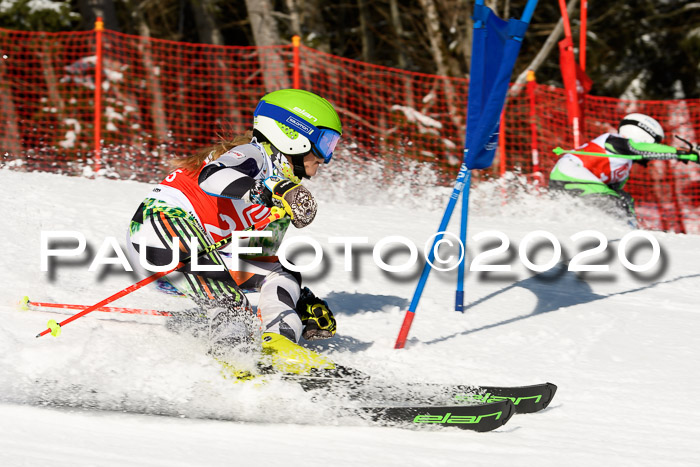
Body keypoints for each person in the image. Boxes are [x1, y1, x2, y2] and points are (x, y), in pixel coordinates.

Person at [125, 89, 344, 377]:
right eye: (324, 142)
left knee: (284, 274)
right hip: (160, 229)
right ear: (292, 134)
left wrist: (300, 300)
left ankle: (278, 346)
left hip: (198, 254)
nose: (325, 158)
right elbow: (212, 176)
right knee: (232, 304)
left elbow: (253, 257)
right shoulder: (255, 156)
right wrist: (270, 190)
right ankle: (235, 366)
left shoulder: (284, 193)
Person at [549, 113, 697, 226]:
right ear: (645, 134)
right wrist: (682, 152)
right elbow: (639, 148)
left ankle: (627, 230)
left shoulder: (624, 165)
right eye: (656, 142)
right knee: (615, 205)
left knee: (623, 200)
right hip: (569, 174)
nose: (656, 146)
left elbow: (615, 189)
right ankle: (627, 234)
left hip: (570, 179)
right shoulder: (614, 140)